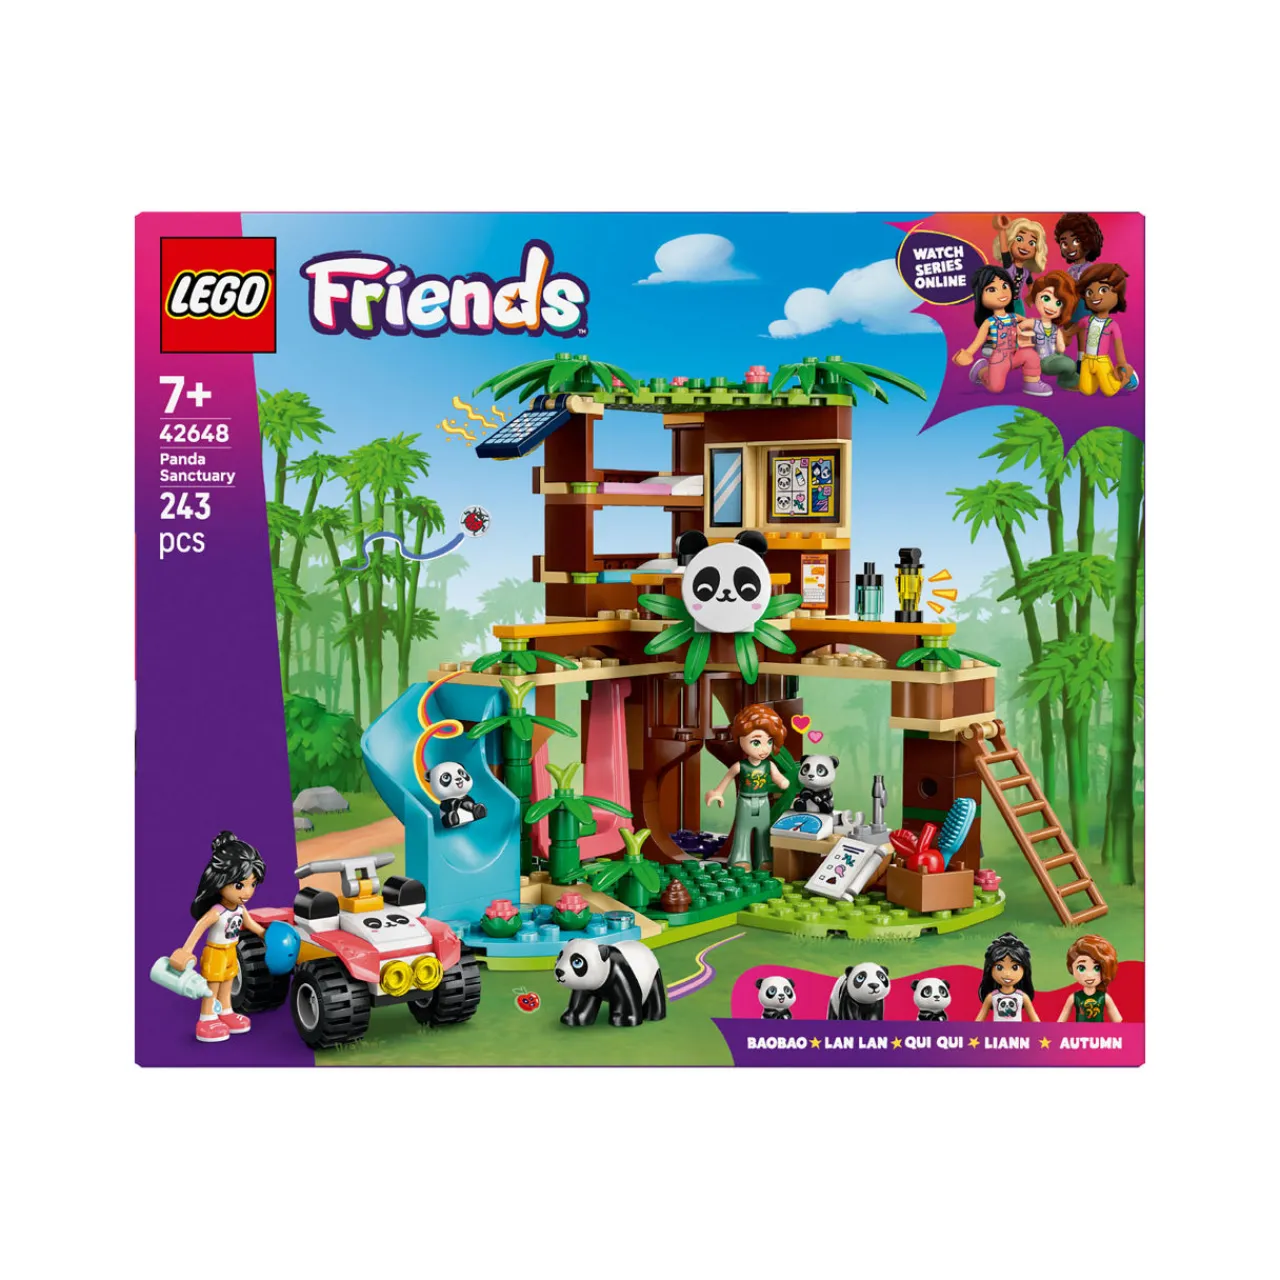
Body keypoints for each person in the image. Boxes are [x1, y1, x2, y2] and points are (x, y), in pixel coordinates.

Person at [167, 831, 269, 1043]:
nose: (248, 892)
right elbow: (199, 928)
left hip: (231, 951)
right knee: (211, 986)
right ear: (220, 881)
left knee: (228, 983)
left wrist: (264, 934)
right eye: (240, 885)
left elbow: (250, 924)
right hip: (215, 952)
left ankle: (226, 1012)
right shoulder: (216, 911)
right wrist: (186, 951)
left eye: (253, 884)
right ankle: (206, 1019)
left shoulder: (240, 908)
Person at [705, 704, 790, 872]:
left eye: (769, 741)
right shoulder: (740, 766)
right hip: (745, 801)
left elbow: (779, 779)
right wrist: (717, 793)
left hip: (763, 802)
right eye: (756, 742)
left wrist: (783, 782)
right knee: (742, 831)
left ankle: (764, 859)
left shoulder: (768, 765)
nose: (764, 749)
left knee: (763, 832)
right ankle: (740, 859)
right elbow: (727, 779)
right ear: (740, 739)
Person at [952, 265, 1051, 397]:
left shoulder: (1014, 317)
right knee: (996, 388)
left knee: (1031, 355)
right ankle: (982, 371)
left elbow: (1030, 323)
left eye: (1005, 286)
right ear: (980, 295)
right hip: (998, 360)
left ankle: (1031, 383)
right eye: (992, 289)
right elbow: (978, 341)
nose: (1002, 292)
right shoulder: (989, 322)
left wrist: (1041, 325)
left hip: (1014, 355)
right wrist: (968, 353)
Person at [1068, 263, 1137, 396]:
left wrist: (1122, 363)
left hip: (1102, 361)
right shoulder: (1086, 320)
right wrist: (1064, 334)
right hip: (1087, 360)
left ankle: (1126, 378)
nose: (1094, 296)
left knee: (1109, 391)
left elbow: (1118, 345)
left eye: (1103, 290)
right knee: (1086, 391)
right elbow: (1073, 329)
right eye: (1089, 292)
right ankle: (1100, 379)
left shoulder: (1112, 325)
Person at [1028, 271, 1081, 391]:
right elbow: (1019, 327)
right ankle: (1068, 381)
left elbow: (1061, 348)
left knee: (1070, 364)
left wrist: (1060, 342)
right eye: (1046, 298)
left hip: (1054, 356)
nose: (1052, 307)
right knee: (1069, 364)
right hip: (1042, 360)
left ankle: (1069, 381)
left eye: (1058, 303)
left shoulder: (1054, 328)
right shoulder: (1033, 323)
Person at [975, 932, 1040, 1022]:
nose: (1007, 974)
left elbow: (1036, 1022)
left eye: (1015, 967)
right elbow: (978, 1021)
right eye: (999, 967)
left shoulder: (1022, 997)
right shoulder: (992, 997)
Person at [1057, 935, 1123, 1022]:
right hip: (1079, 1030)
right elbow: (1061, 1021)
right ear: (1071, 968)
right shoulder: (1074, 997)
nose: (1089, 975)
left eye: (1097, 968)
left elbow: (1117, 1020)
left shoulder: (1104, 997)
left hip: (1099, 1030)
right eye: (1081, 968)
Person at [992, 214, 1048, 314]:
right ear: (1010, 241)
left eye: (1032, 243)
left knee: (1021, 320)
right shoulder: (1009, 265)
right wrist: (1002, 230)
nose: (1025, 247)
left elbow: (1031, 286)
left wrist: (1033, 297)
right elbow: (1004, 248)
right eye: (1019, 239)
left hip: (1018, 302)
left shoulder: (1026, 272)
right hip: (1005, 301)